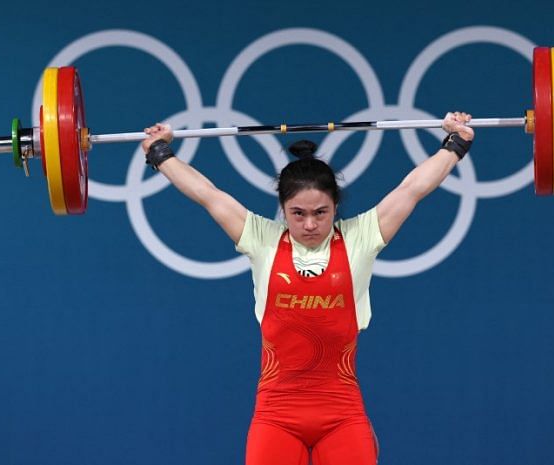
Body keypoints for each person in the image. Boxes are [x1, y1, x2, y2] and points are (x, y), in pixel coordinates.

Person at [141, 112, 474, 465]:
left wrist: (456, 143)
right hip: (276, 417)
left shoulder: (360, 238)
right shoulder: (262, 239)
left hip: (342, 415)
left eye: (321, 212)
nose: (310, 224)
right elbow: (207, 194)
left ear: (335, 207)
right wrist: (161, 154)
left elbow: (412, 189)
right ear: (283, 209)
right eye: (298, 213)